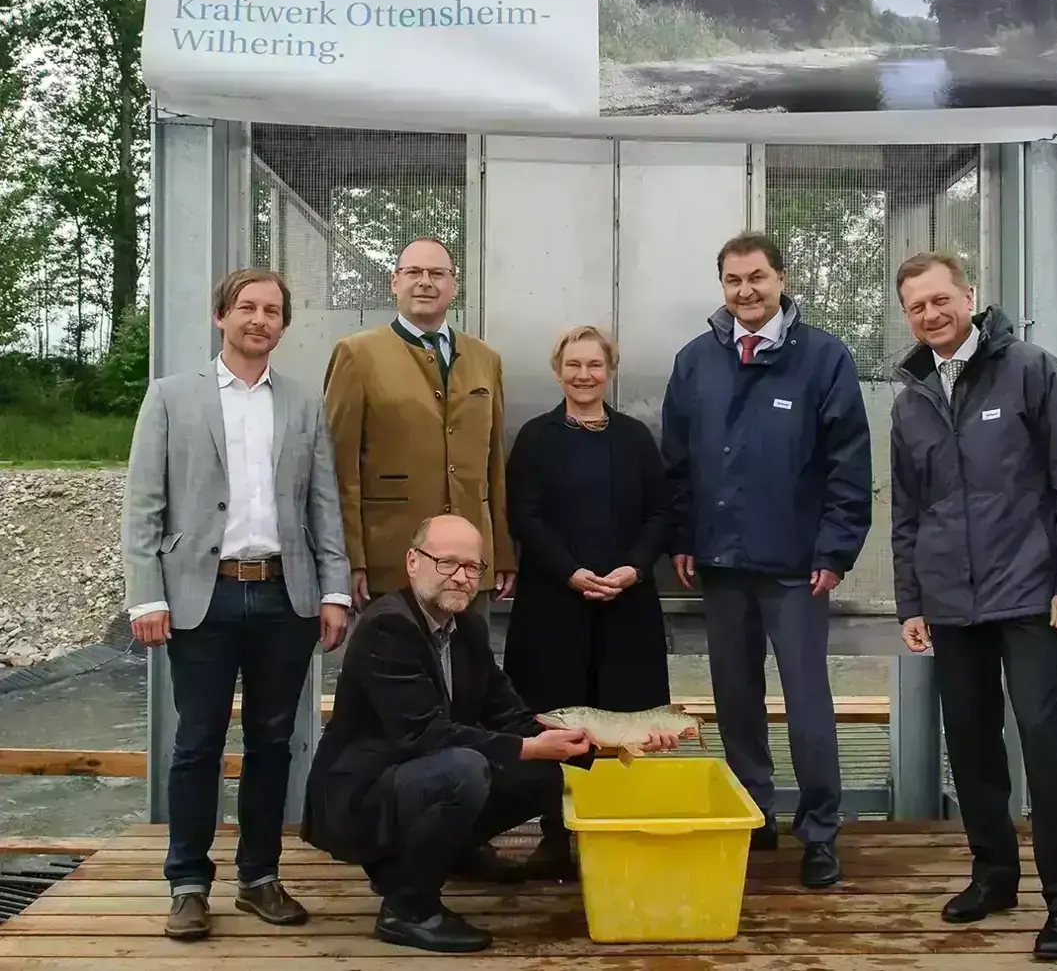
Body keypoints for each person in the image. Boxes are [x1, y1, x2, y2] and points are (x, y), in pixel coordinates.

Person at [300, 514, 675, 954]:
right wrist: (528, 747)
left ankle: (448, 856)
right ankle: (408, 907)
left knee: (541, 776)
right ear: (412, 562)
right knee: (465, 768)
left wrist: (616, 742)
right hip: (359, 799)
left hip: (413, 779)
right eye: (446, 563)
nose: (460, 577)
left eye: (472, 567)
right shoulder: (388, 627)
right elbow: (423, 734)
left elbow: (511, 715)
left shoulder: (468, 629)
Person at [121, 268, 352, 942]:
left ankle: (259, 878)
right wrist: (145, 597)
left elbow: (323, 505)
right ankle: (188, 884)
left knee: (274, 742)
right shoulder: (170, 399)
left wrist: (333, 590)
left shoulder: (303, 404)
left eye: (273, 310)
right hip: (202, 596)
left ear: (284, 324)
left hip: (286, 595)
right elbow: (143, 506)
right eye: (247, 307)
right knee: (196, 743)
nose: (260, 319)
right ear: (221, 316)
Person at [889, 251, 1057, 963]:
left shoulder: (1033, 372)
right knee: (972, 741)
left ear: (969, 296)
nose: (931, 314)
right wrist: (911, 600)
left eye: (941, 299)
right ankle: (994, 875)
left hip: (1031, 595)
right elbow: (909, 514)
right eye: (917, 306)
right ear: (907, 315)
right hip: (950, 602)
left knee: (1043, 739)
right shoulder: (911, 398)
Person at [660, 231, 872, 890]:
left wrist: (835, 551)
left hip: (795, 569)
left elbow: (849, 465)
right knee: (736, 700)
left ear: (781, 278)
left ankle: (819, 833)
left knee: (808, 702)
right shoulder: (696, 361)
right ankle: (754, 815)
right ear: (721, 287)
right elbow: (677, 463)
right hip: (722, 566)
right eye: (733, 281)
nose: (746, 291)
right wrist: (685, 537)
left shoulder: (823, 358)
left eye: (757, 278)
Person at [323, 236, 516, 611]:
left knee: (467, 667)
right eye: (414, 272)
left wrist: (502, 553)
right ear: (395, 282)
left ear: (453, 286)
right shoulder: (357, 355)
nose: (425, 281)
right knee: (393, 664)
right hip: (389, 561)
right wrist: (350, 559)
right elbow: (337, 469)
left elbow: (495, 467)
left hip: (469, 565)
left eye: (437, 273)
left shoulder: (484, 359)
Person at [502, 324, 671, 717]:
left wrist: (635, 568)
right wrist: (569, 572)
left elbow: (661, 512)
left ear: (610, 371)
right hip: (552, 606)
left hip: (627, 607)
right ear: (558, 371)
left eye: (595, 364)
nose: (584, 375)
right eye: (573, 365)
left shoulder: (635, 437)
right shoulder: (535, 438)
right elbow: (525, 516)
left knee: (627, 726)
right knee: (552, 724)